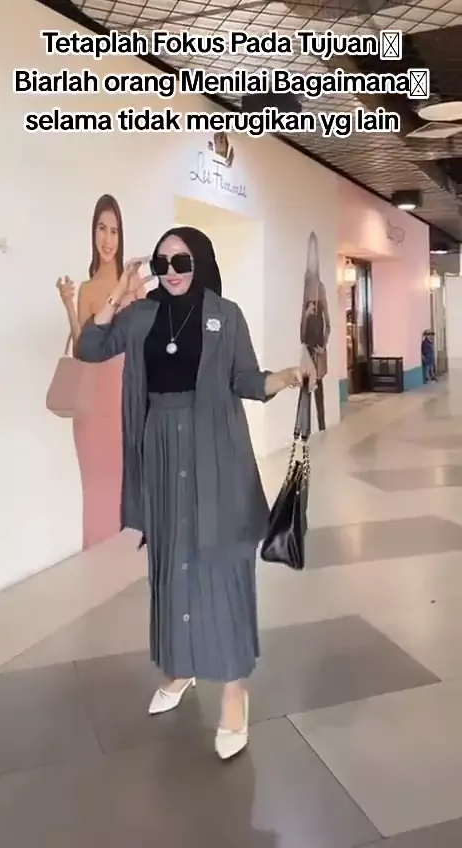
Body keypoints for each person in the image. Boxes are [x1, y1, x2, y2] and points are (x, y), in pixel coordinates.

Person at [76, 226, 315, 761]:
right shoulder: (140, 315)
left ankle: (234, 690)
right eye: (161, 264)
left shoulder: (225, 315)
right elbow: (90, 348)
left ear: (200, 261)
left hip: (216, 450)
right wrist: (119, 293)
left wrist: (286, 377)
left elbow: (246, 380)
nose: (171, 272)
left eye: (181, 261)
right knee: (172, 560)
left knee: (221, 561)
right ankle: (180, 667)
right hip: (160, 451)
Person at [56, 194, 146, 549]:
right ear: (93, 233)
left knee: (129, 499)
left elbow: (147, 340)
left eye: (114, 231)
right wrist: (69, 305)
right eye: (101, 229)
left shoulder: (134, 283)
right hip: (93, 412)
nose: (107, 239)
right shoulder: (88, 289)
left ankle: (126, 571)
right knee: (97, 501)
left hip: (128, 404)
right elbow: (83, 350)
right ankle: (97, 570)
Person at [300, 231, 331, 431]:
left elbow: (328, 323)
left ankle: (321, 425)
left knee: (318, 389)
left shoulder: (320, 288)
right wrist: (306, 313)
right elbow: (301, 327)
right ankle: (305, 428)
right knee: (306, 389)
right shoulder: (304, 287)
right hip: (307, 346)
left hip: (318, 347)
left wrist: (323, 346)